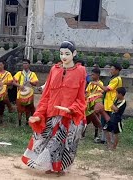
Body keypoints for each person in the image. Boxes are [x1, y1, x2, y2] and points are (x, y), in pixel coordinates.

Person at [21, 41, 86, 175]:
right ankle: (50, 166)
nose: (64, 57)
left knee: (65, 144)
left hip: (71, 116)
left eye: (67, 54)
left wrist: (72, 109)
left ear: (74, 54)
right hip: (52, 113)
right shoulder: (54, 69)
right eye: (61, 53)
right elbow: (47, 94)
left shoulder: (80, 71)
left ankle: (60, 168)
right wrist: (39, 113)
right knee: (45, 140)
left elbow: (81, 97)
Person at [92, 63, 122, 144]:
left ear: (117, 70)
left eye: (112, 69)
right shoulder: (113, 78)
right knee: (105, 121)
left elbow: (107, 89)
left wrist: (98, 84)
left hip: (111, 104)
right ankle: (104, 139)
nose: (111, 71)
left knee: (109, 122)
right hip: (108, 103)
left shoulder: (116, 79)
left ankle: (108, 140)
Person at [83, 68, 110, 142]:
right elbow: (87, 93)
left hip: (96, 102)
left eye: (93, 74)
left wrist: (90, 98)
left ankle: (97, 134)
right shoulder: (91, 83)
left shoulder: (100, 83)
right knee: (86, 117)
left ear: (98, 75)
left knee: (95, 115)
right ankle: (83, 133)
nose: (91, 76)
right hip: (89, 102)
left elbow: (98, 94)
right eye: (91, 74)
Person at [12, 59, 39, 126]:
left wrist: (30, 82)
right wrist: (19, 85)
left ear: (29, 64)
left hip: (30, 94)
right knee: (19, 109)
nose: (24, 65)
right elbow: (13, 81)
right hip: (20, 94)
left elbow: (35, 83)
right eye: (23, 63)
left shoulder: (32, 74)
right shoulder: (19, 73)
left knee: (29, 109)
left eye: (26, 63)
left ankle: (27, 122)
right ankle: (19, 122)